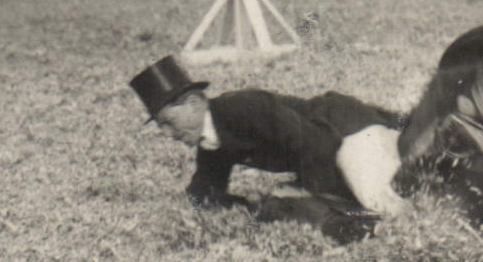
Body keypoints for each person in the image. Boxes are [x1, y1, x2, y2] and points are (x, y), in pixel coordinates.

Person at [130, 55, 406, 242]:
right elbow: (205, 192)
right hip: (327, 146)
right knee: (286, 207)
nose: (168, 134)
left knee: (382, 207)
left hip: (346, 128)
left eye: (168, 122)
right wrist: (250, 204)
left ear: (191, 104)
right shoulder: (211, 140)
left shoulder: (244, 107)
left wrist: (309, 195)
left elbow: (318, 145)